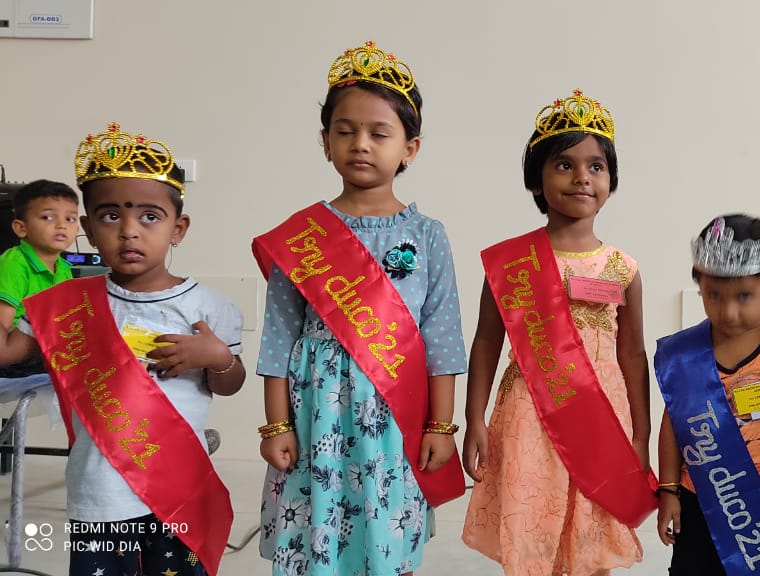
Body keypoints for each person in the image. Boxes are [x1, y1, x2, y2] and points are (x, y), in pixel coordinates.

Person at [253, 40, 467, 575]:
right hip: (315, 410)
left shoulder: (427, 235)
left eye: (379, 133)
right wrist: (276, 426)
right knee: (317, 535)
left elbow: (442, 338)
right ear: (325, 142)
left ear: (410, 148)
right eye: (345, 131)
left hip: (394, 412)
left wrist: (442, 425)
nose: (361, 144)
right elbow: (278, 338)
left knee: (387, 530)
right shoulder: (303, 236)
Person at [0, 122, 245, 575]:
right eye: (111, 217)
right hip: (100, 490)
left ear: (178, 228)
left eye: (150, 217)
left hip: (177, 485)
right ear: (89, 230)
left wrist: (219, 358)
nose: (130, 231)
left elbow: (230, 383)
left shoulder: (210, 307)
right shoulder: (65, 305)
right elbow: (7, 351)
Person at [462, 88, 657, 575]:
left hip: (601, 414)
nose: (581, 177)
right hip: (529, 413)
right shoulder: (510, 263)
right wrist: (474, 418)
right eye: (564, 165)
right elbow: (486, 342)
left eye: (596, 166)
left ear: (611, 180)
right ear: (536, 179)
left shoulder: (623, 268)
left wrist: (641, 434)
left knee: (592, 529)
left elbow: (633, 355)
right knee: (533, 525)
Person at [654, 214, 760, 576]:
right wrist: (668, 490)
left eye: (744, 296)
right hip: (698, 499)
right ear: (700, 286)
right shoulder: (684, 354)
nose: (728, 312)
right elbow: (672, 424)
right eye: (714, 295)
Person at [0, 179, 78, 377]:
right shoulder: (14, 263)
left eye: (70, 219)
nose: (61, 225)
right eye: (47, 217)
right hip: (14, 358)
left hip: (45, 350)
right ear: (21, 228)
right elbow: (3, 328)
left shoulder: (64, 268)